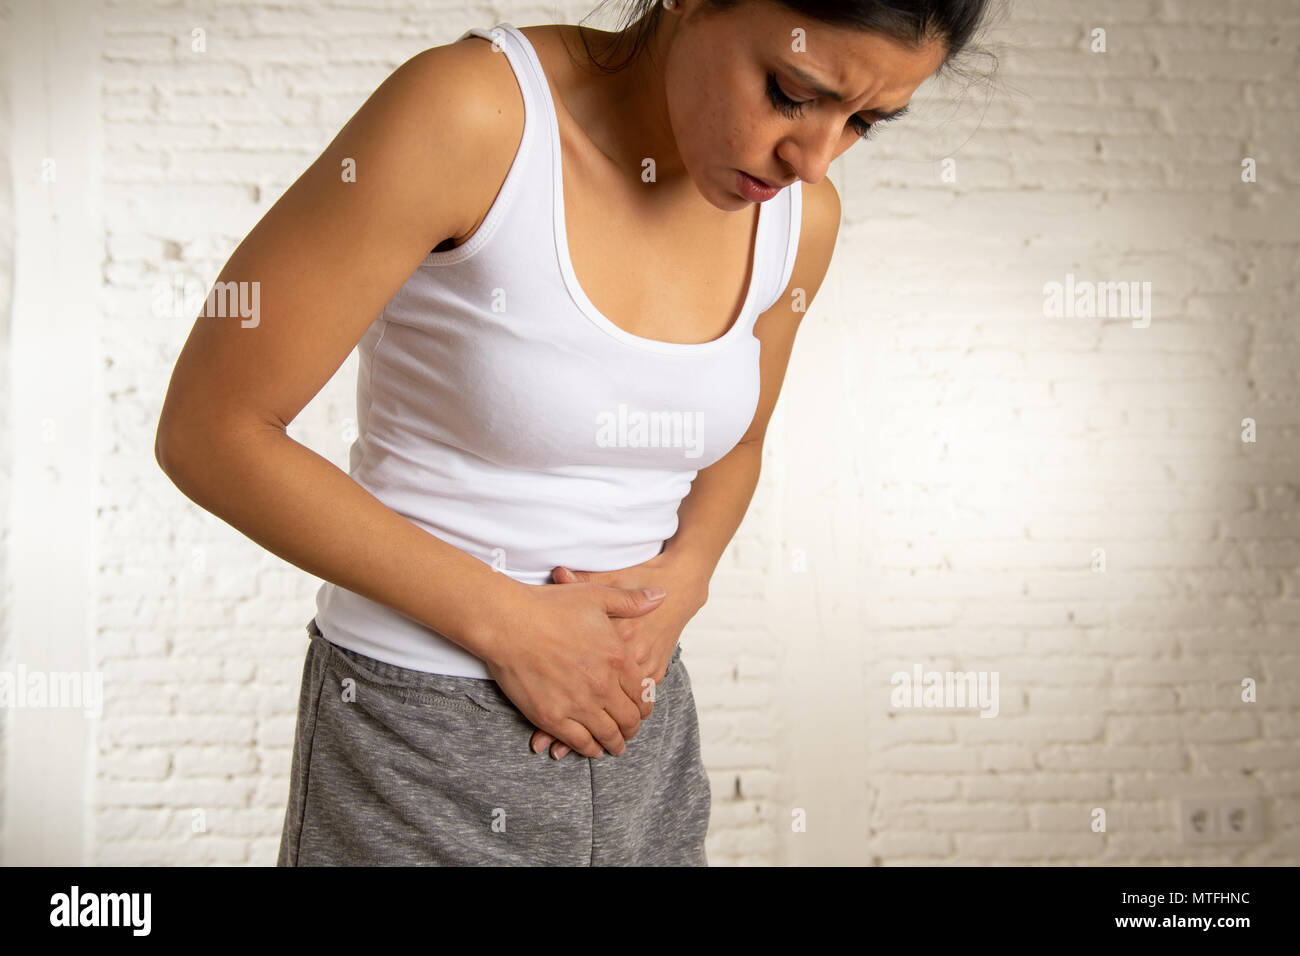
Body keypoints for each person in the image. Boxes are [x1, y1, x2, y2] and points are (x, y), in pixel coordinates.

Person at [155, 0, 992, 866]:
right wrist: (509, 624)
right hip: (415, 733)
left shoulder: (800, 218)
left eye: (864, 122)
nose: (814, 159)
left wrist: (685, 580)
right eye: (790, 93)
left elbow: (735, 445)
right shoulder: (472, 112)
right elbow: (212, 431)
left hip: (640, 723)